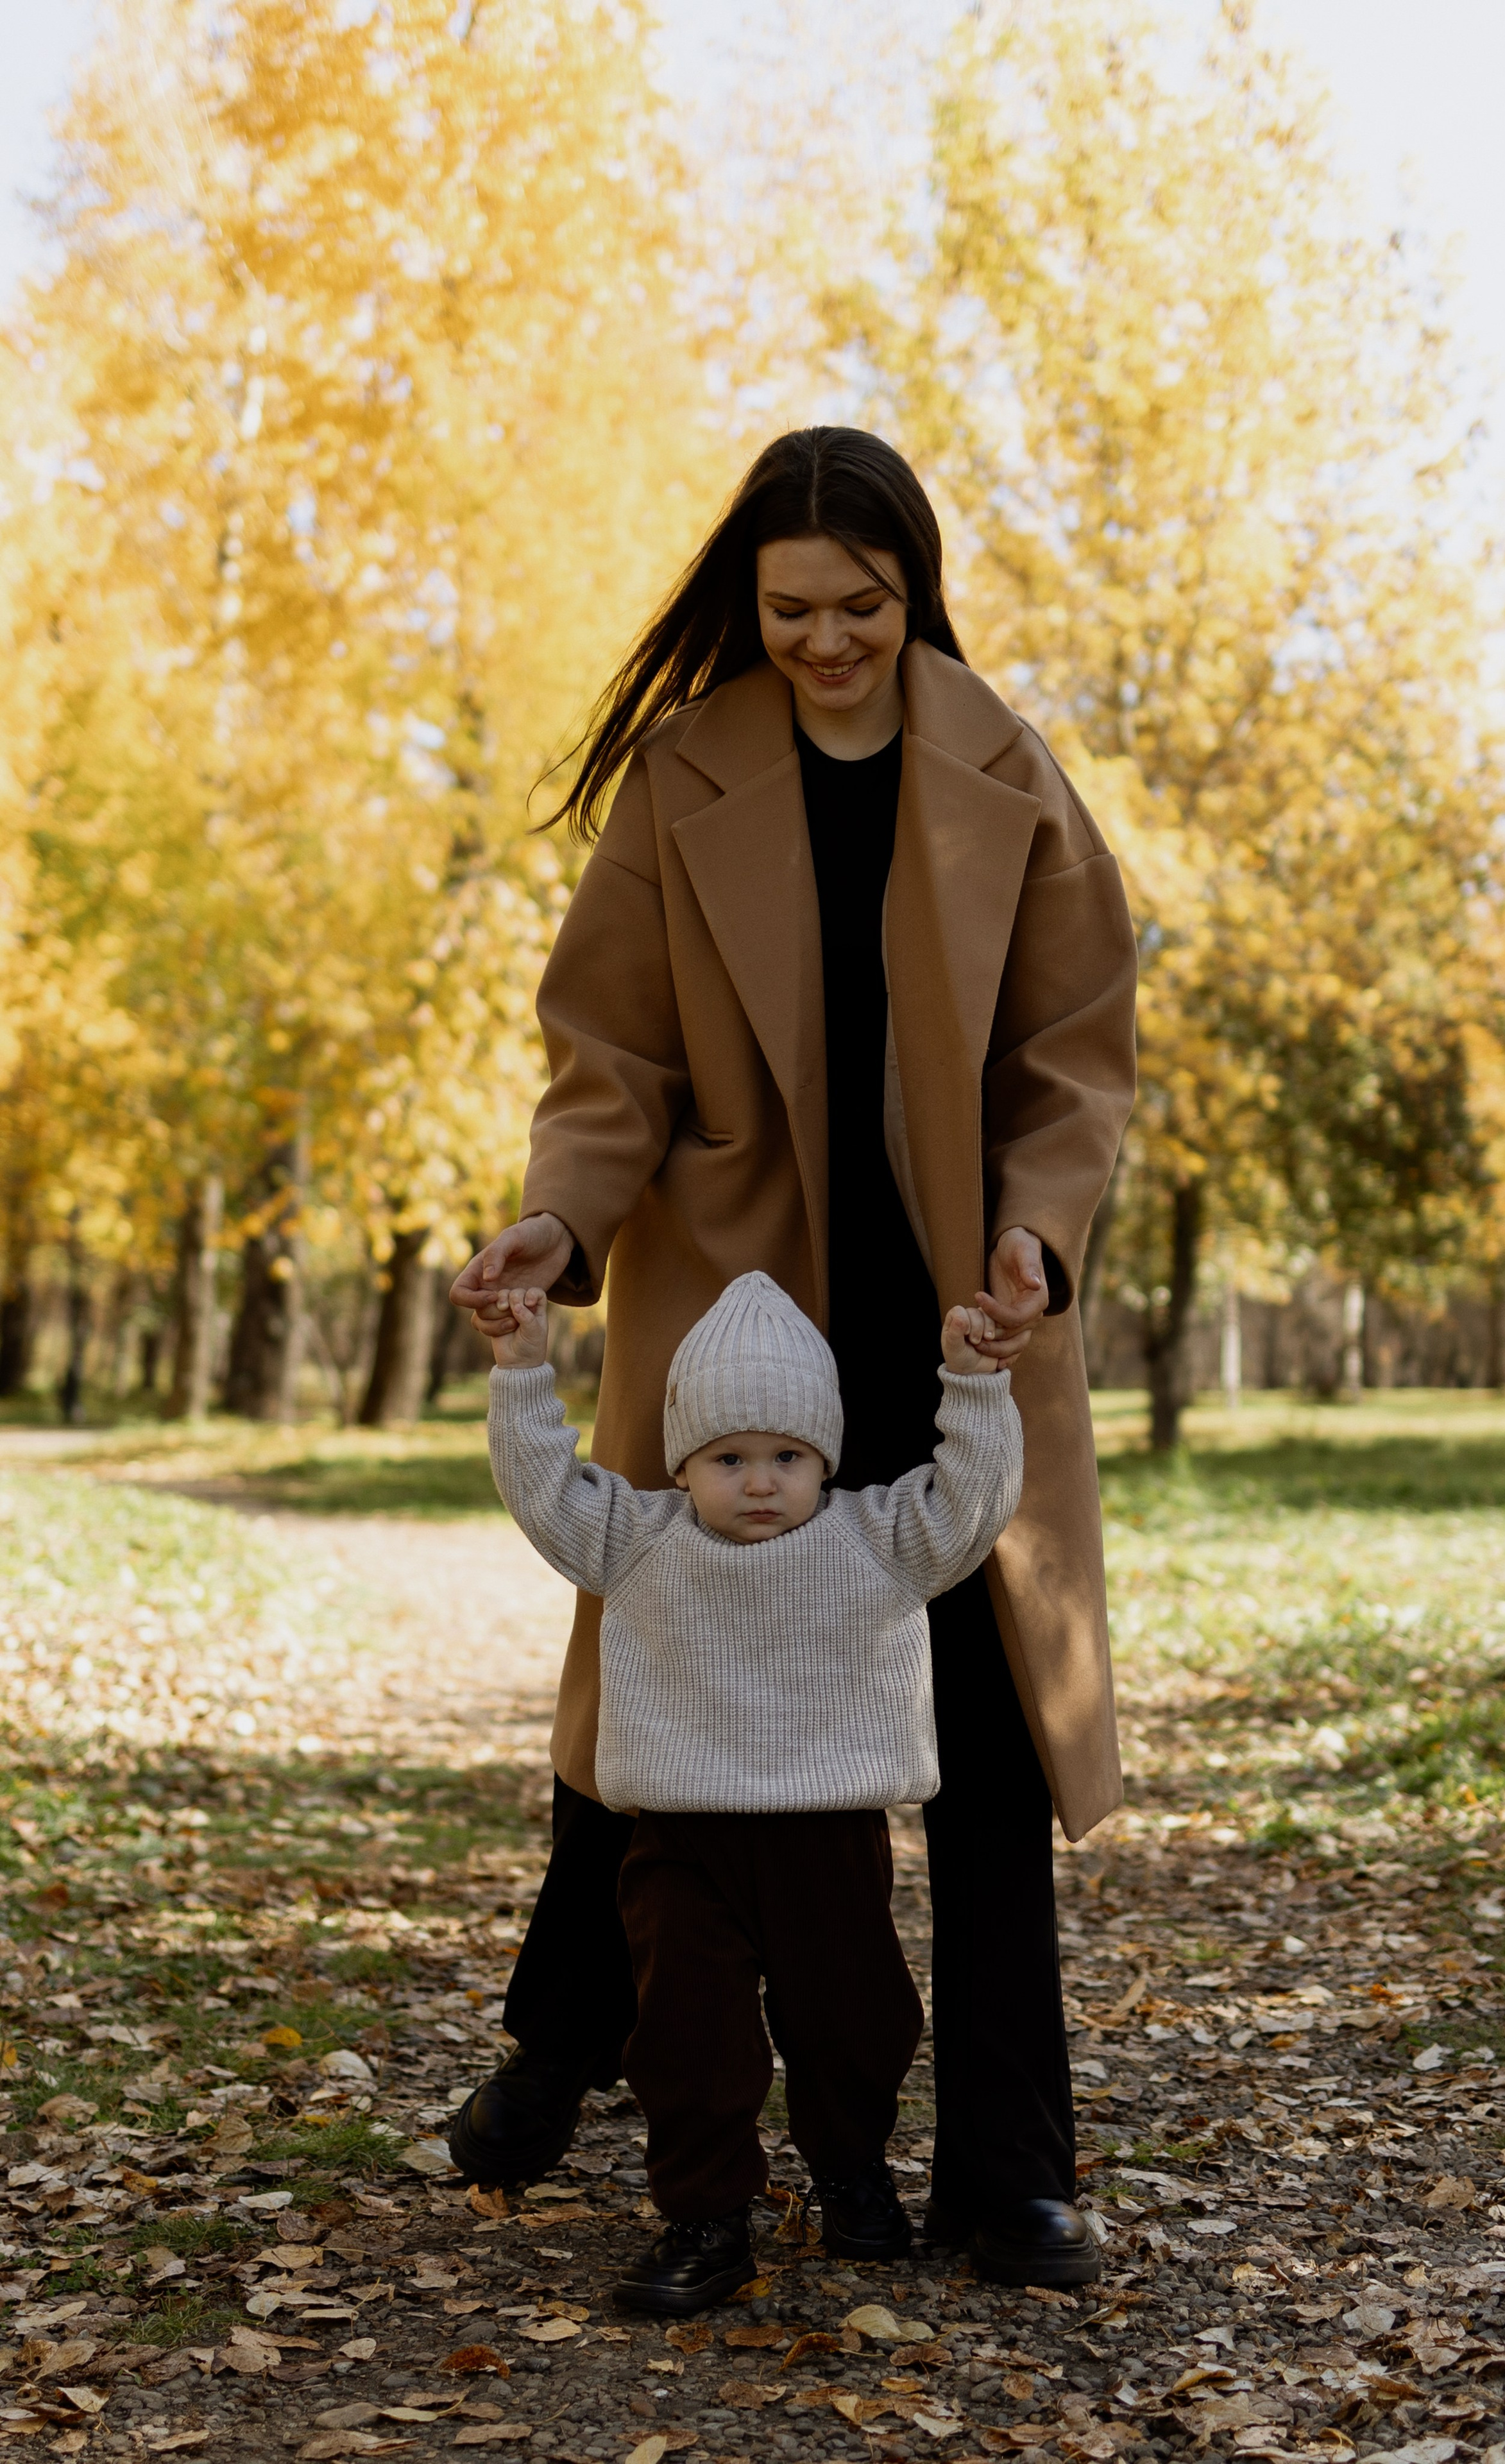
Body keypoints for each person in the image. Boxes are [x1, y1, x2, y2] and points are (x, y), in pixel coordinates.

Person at [448, 424, 1137, 2286]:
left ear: (915, 588)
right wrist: (559, 1226)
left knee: (983, 1741)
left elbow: (1077, 1059)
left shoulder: (1007, 770)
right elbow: (612, 1065)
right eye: (788, 609)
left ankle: (1017, 2167)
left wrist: (1038, 1237)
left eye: (862, 604)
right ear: (742, 605)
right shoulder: (685, 784)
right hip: (743, 1315)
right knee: (672, 1712)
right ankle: (558, 2048)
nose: (826, 639)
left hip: (961, 1310)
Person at [484, 1269, 1023, 2313]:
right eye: (731, 1459)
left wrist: (975, 1386)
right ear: (684, 1464)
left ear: (826, 1457)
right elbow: (543, 1489)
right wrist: (520, 1370)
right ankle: (705, 2219)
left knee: (858, 2025)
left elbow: (974, 1500)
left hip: (831, 1843)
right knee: (687, 2042)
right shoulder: (637, 1539)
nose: (762, 1481)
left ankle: (853, 2177)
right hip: (684, 1846)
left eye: (789, 1456)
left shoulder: (878, 1537)